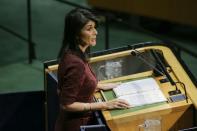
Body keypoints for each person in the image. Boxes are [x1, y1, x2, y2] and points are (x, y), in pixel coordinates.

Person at [55, 8, 130, 131]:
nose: (96, 32)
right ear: (76, 33)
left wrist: (98, 85)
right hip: (76, 126)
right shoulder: (75, 63)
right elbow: (66, 104)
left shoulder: (72, 54)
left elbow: (75, 86)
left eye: (94, 27)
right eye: (89, 29)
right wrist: (105, 104)